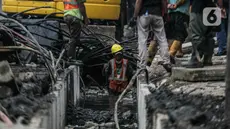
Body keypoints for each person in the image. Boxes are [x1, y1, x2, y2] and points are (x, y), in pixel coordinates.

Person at [132, 0, 172, 72]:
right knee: (162, 39)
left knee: (142, 41)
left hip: (144, 14)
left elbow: (138, 1)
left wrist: (135, 16)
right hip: (157, 14)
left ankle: (142, 65)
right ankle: (167, 62)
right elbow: (163, 1)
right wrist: (166, 14)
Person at [184, 0, 216, 68]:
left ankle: (197, 59)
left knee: (196, 33)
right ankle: (207, 58)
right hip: (212, 7)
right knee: (209, 34)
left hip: (198, 7)